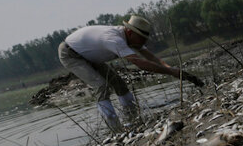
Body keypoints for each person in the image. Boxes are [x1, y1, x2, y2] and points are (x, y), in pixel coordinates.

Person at [58, 15, 203, 132]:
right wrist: (171, 72)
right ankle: (115, 129)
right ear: (129, 32)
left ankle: (132, 117)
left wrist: (172, 68)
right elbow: (140, 63)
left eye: (144, 38)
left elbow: (151, 57)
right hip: (71, 53)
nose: (143, 42)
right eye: (141, 38)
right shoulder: (115, 39)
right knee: (101, 86)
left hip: (89, 54)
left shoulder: (133, 39)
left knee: (119, 83)